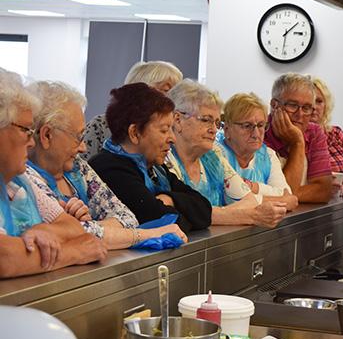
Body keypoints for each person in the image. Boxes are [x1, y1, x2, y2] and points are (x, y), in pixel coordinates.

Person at [26, 81, 187, 249]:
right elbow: (65, 234)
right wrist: (145, 234)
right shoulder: (25, 176)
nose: (83, 147)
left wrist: (89, 226)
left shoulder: (77, 167)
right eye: (78, 137)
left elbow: (128, 218)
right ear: (47, 135)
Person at [0, 69, 107, 278]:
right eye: (25, 130)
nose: (31, 141)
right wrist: (73, 251)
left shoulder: (20, 180)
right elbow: (4, 257)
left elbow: (73, 227)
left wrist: (42, 231)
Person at [89, 82, 212, 233]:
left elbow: (205, 210)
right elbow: (166, 222)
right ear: (134, 133)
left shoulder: (156, 168)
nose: (172, 138)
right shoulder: (109, 168)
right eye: (164, 130)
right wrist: (181, 210)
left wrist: (170, 199)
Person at [165, 80, 287, 227]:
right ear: (178, 120)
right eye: (206, 120)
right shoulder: (164, 157)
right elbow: (177, 214)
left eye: (216, 123)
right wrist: (248, 216)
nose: (214, 130)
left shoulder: (213, 155)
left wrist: (214, 215)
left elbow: (249, 201)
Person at [82, 60, 183, 160]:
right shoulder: (101, 125)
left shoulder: (174, 130)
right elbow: (81, 166)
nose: (173, 99)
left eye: (175, 93)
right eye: (166, 90)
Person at [217, 92, 298, 208]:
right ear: (227, 130)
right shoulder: (216, 154)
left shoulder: (268, 155)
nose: (256, 134)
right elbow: (234, 200)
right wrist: (283, 201)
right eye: (247, 126)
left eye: (260, 125)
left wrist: (252, 186)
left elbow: (286, 193)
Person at [263, 73, 332, 203]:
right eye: (292, 105)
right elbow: (282, 196)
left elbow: (324, 191)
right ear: (274, 105)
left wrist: (297, 141)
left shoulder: (315, 132)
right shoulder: (259, 132)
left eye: (306, 108)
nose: (300, 114)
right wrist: (298, 142)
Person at [309, 76, 343, 197]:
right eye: (309, 102)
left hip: (339, 203)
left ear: (326, 105)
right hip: (312, 201)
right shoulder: (296, 137)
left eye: (319, 101)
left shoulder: (337, 133)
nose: (314, 107)